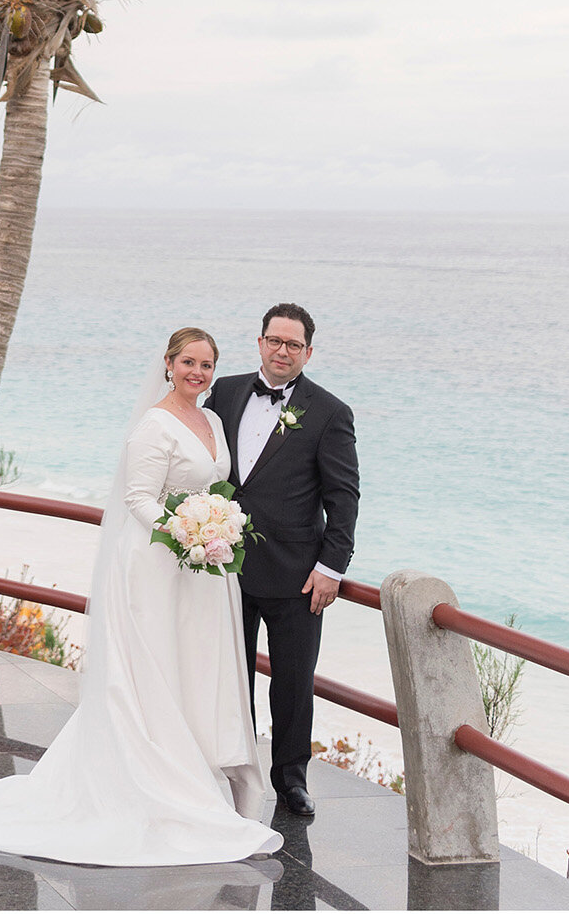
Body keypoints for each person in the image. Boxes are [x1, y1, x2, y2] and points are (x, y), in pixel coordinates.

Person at [0, 328, 283, 868]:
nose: (198, 374)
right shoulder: (153, 425)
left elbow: (213, 487)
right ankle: (155, 774)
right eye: (189, 362)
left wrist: (215, 532)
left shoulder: (210, 420)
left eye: (207, 365)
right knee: (154, 667)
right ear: (167, 364)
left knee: (195, 666)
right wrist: (184, 530)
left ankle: (200, 765)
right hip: (157, 564)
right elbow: (138, 497)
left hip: (204, 570)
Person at [208, 302, 360, 822]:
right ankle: (233, 768)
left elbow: (344, 497)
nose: (282, 351)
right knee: (230, 674)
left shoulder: (330, 412)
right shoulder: (224, 392)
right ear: (260, 342)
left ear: (308, 352)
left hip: (298, 575)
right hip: (224, 563)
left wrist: (332, 568)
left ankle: (290, 780)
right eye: (275, 340)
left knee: (294, 681)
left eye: (293, 344)